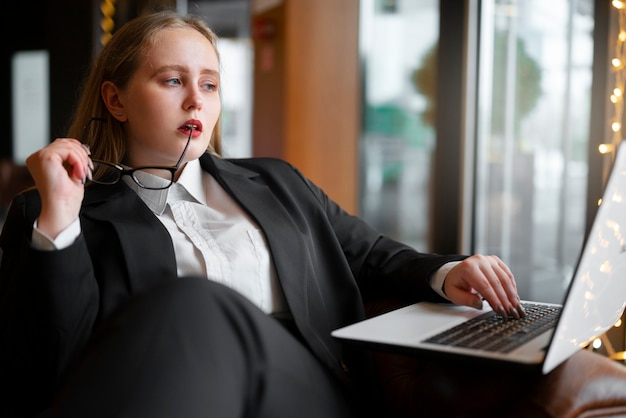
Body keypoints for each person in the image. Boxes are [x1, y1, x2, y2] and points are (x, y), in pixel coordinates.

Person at [0, 10, 527, 418]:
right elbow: (51, 365)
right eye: (171, 81)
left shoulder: (277, 182)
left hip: (303, 393)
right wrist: (60, 223)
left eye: (209, 85)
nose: (195, 103)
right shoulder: (54, 213)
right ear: (115, 100)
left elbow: (369, 252)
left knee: (196, 303)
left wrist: (448, 271)